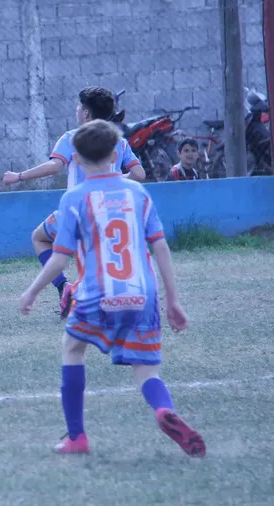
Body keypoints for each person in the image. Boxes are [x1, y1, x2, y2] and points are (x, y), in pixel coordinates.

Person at [18, 119, 205, 458]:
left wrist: (31, 292)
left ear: (75, 156)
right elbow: (160, 247)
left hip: (97, 294)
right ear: (117, 152)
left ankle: (77, 437)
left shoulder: (75, 198)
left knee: (73, 349)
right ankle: (163, 410)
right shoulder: (137, 192)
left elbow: (59, 260)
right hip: (142, 295)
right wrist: (173, 300)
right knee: (146, 369)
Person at [2, 87, 147, 313]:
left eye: (79, 106)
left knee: (39, 238)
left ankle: (64, 288)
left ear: (86, 113)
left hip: (77, 212)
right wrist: (116, 179)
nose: (76, 109)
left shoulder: (73, 138)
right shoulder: (119, 141)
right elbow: (139, 174)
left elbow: (54, 166)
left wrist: (19, 176)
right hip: (111, 213)